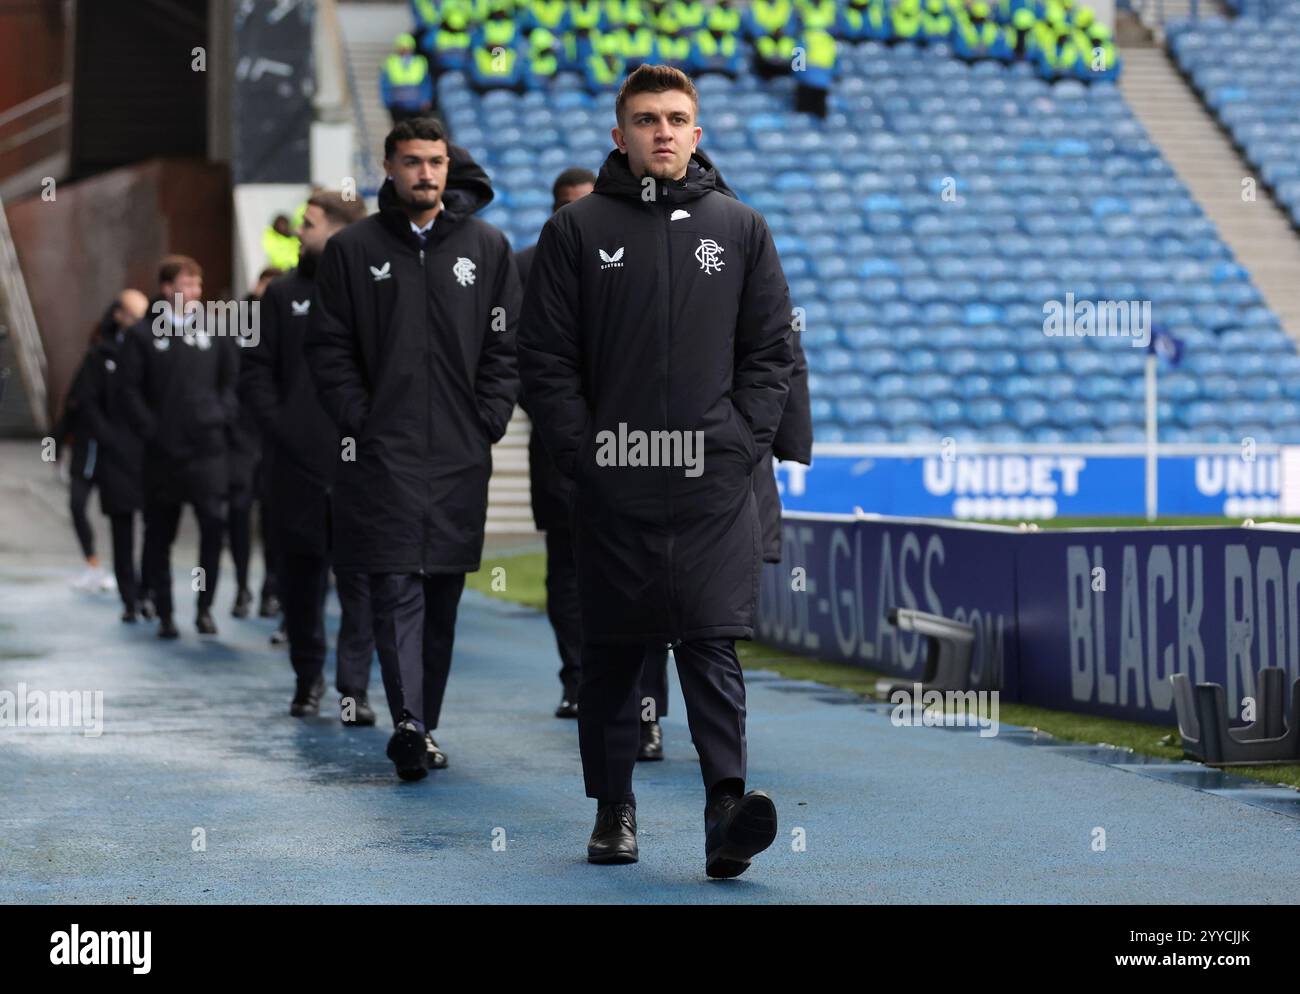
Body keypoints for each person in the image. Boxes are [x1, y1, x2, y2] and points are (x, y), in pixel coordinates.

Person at [518, 64, 795, 877]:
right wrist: (583, 451)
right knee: (613, 651)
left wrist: (741, 443)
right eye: (646, 120)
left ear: (697, 134)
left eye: (676, 118)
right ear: (620, 135)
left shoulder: (741, 228)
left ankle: (725, 810)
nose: (662, 132)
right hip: (614, 479)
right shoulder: (575, 233)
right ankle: (614, 809)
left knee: (711, 645)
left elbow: (772, 351)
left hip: (713, 480)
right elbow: (544, 359)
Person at [305, 117, 520, 780]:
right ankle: (408, 726)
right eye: (411, 162)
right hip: (385, 453)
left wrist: (487, 418)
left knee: (442, 594)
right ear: (390, 169)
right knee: (396, 582)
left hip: (460, 454)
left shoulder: (488, 248)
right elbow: (328, 346)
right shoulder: (352, 250)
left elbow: (506, 348)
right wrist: (362, 420)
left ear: (447, 167)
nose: (425, 173)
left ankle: (423, 723)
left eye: (435, 161)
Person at [242, 191, 378, 722]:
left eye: (310, 223)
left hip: (360, 464)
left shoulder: (374, 288)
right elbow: (256, 372)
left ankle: (354, 690)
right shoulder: (282, 295)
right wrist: (284, 430)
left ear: (342, 231)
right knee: (300, 582)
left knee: (361, 581)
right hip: (294, 467)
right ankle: (307, 678)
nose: (299, 231)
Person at [119, 255, 238, 639]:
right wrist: (153, 430)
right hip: (163, 457)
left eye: (197, 286)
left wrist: (220, 414)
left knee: (212, 530)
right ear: (167, 289)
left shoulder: (217, 332)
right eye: (186, 286)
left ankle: (204, 609)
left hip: (208, 453)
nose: (194, 293)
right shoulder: (142, 336)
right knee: (159, 535)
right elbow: (128, 392)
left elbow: (232, 384)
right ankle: (165, 612)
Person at [60, 290, 150, 609]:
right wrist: (58, 443)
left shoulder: (149, 350)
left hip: (136, 453)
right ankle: (98, 569)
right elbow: (78, 401)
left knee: (141, 521)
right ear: (119, 316)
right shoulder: (100, 355)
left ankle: (144, 589)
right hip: (98, 450)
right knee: (81, 505)